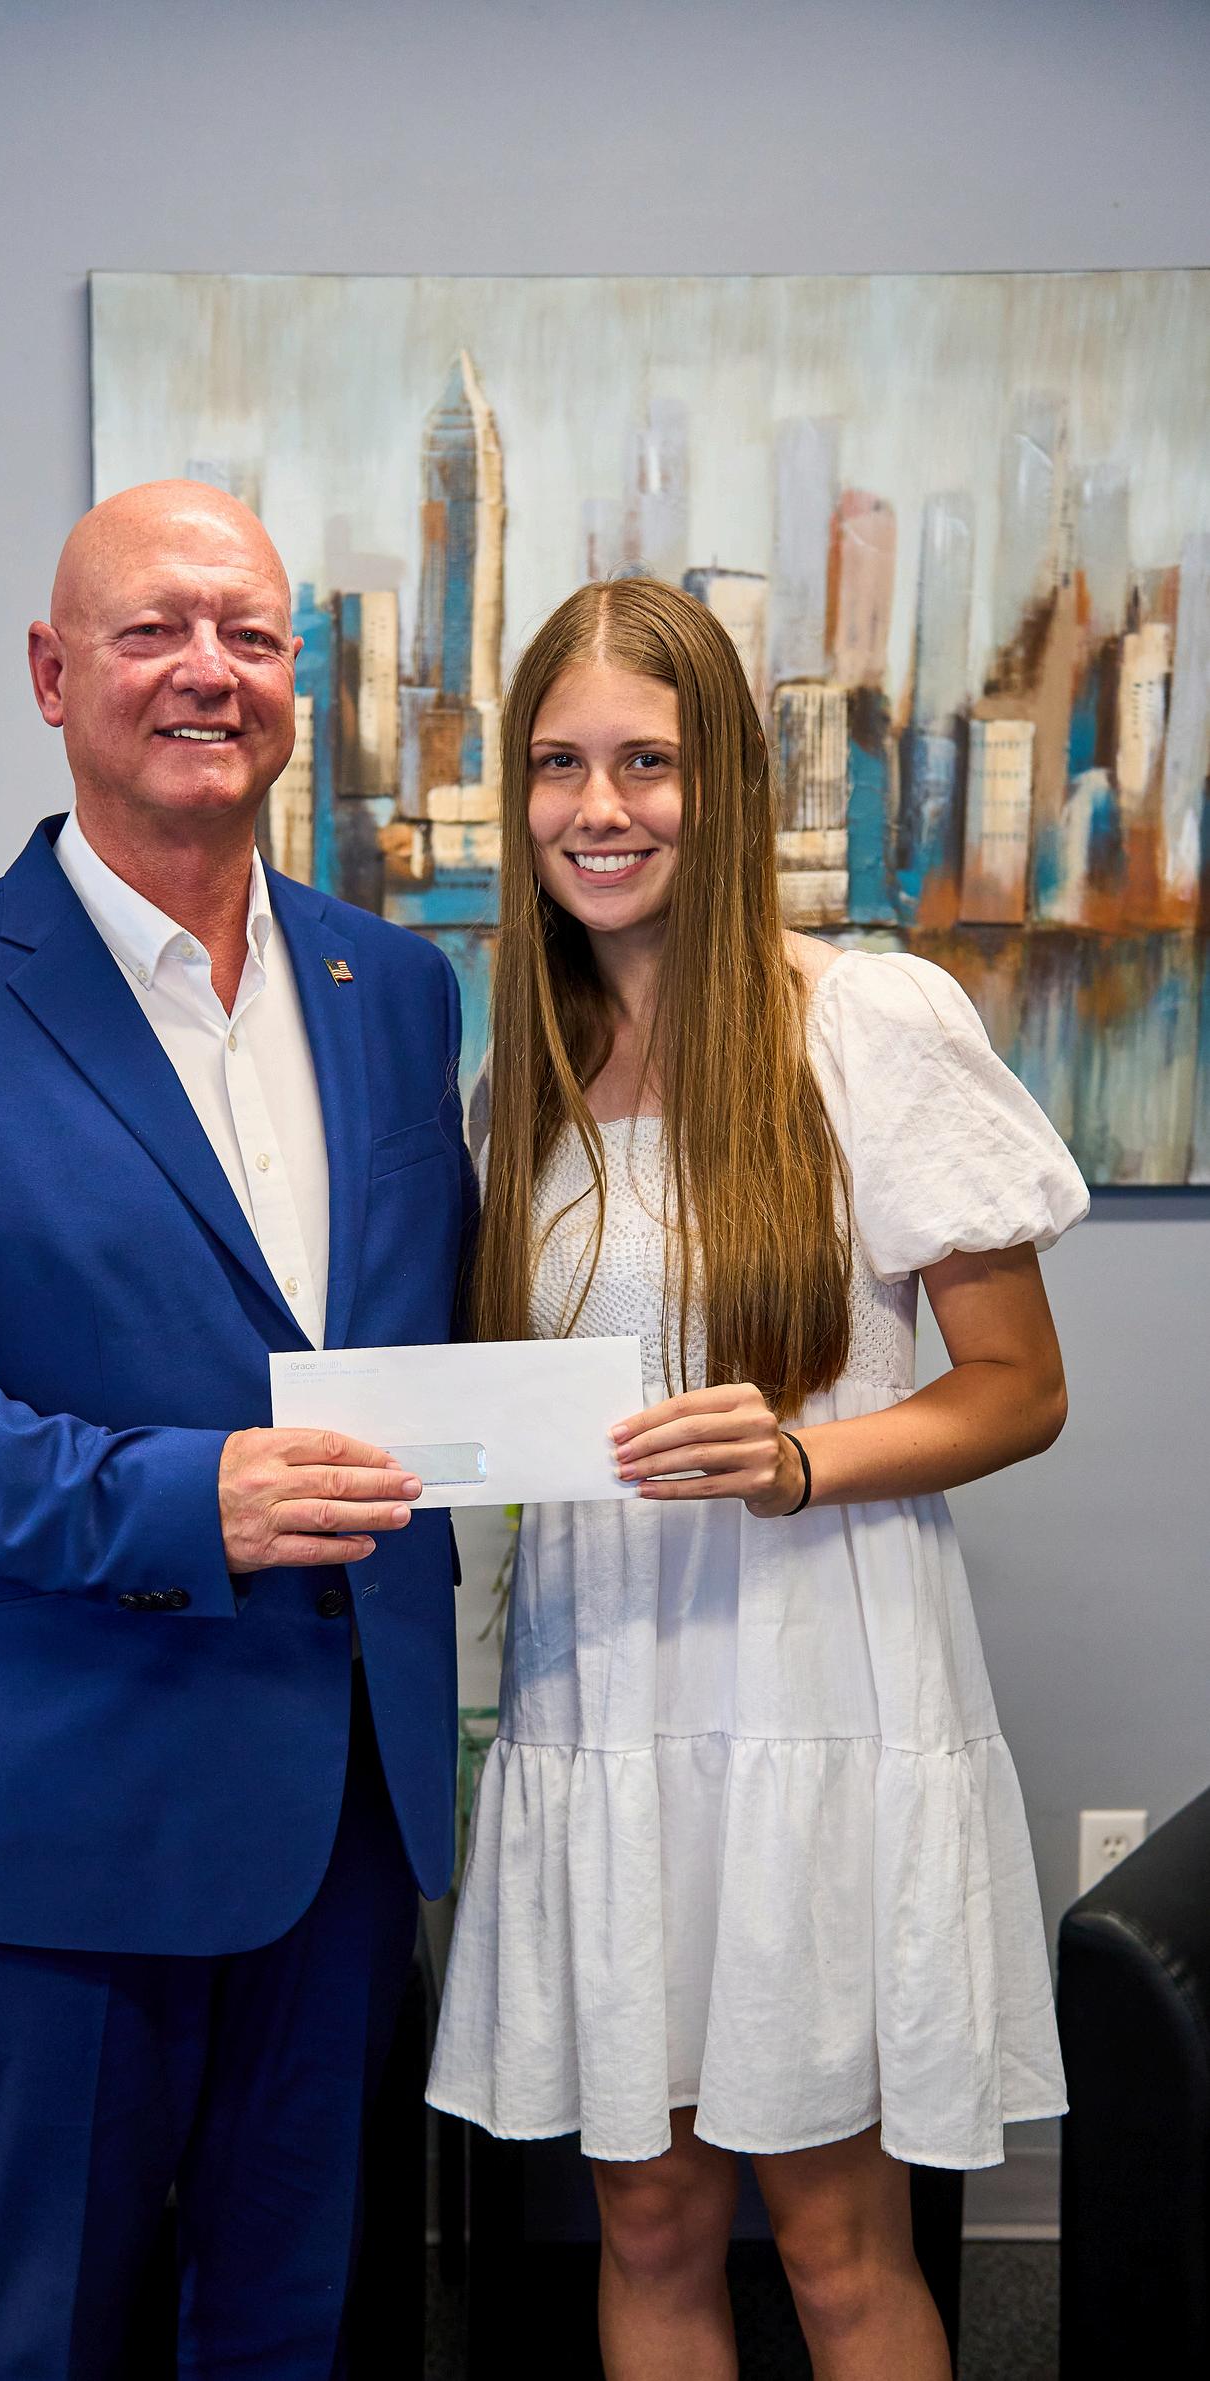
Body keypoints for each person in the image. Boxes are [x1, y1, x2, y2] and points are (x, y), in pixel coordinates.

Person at [0, 481, 473, 2380]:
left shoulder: (399, 991)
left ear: (295, 680)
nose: (206, 671)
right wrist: (192, 1495)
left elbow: (430, 1331)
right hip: (65, 1822)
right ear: (51, 671)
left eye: (250, 634)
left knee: (299, 2334)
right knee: (48, 2344)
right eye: (155, 627)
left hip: (349, 1812)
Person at [428, 578, 1087, 2379]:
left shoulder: (870, 1021)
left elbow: (1021, 1388)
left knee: (834, 2241)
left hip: (815, 1688)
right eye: (557, 763)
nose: (599, 807)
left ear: (723, 776)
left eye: (647, 760)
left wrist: (800, 1457)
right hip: (598, 1693)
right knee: (643, 2223)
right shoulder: (517, 1080)